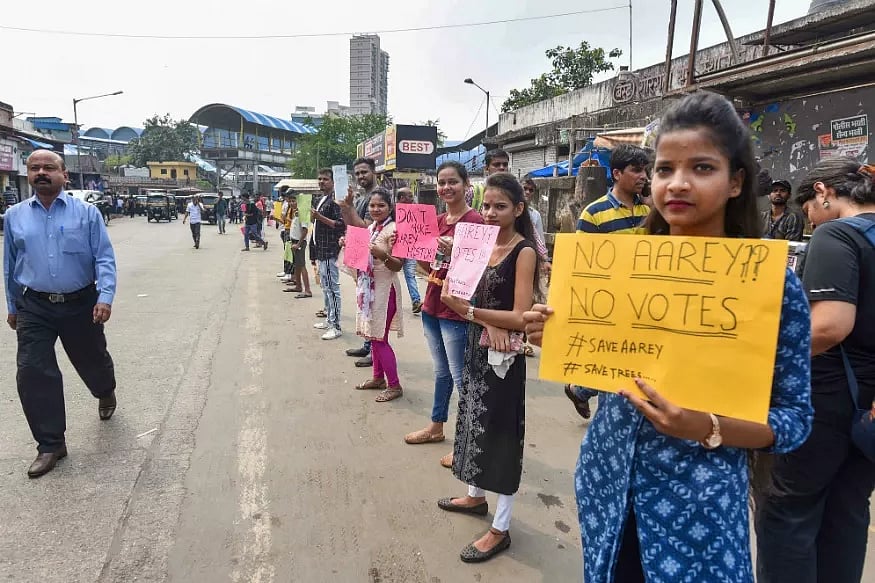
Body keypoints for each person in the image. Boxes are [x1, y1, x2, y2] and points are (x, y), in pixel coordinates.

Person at [523, 91, 813, 582]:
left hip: (696, 508)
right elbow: (607, 367)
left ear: (736, 181)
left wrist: (705, 426)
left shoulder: (770, 284)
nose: (676, 184)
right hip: (607, 482)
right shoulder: (621, 261)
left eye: (701, 168)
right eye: (663, 169)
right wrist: (560, 336)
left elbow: (793, 419)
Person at [755, 158, 875, 583]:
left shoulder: (837, 234)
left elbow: (829, 326)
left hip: (828, 403)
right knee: (847, 511)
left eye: (809, 208)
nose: (810, 218)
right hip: (869, 413)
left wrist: (755, 359)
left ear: (823, 192)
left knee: (787, 511)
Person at [437, 172, 540, 563]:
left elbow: (522, 315)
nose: (492, 213)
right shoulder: (474, 244)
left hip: (503, 360)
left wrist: (478, 314)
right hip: (477, 349)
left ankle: (501, 527)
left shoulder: (523, 251)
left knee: (501, 436)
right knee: (472, 422)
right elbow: (450, 294)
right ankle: (475, 497)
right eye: (487, 206)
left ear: (519, 209)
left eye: (501, 207)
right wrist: (485, 320)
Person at [3, 150, 118, 479]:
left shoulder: (87, 213)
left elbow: (104, 258)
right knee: (33, 371)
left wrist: (105, 297)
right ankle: (51, 444)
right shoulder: (14, 216)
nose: (41, 172)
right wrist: (13, 306)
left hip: (81, 302)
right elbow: (11, 265)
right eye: (34, 168)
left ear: (64, 175)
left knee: (91, 358)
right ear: (27, 174)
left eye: (49, 168)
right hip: (34, 305)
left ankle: (104, 390)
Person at [402, 161, 484, 471]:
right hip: (432, 304)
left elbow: (480, 270)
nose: (446, 188)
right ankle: (437, 426)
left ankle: (469, 443)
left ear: (466, 185)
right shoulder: (434, 221)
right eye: (442, 182)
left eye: (453, 182)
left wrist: (456, 253)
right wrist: (419, 250)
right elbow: (424, 267)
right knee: (441, 373)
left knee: (463, 378)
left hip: (456, 309)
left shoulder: (475, 222)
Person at [566, 144, 651, 419]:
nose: (644, 176)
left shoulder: (650, 212)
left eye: (646, 170)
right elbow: (581, 265)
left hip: (645, 305)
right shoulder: (593, 214)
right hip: (610, 307)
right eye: (636, 170)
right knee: (616, 366)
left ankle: (580, 389)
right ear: (616, 174)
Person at [341, 188, 405, 402]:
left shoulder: (395, 230)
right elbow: (360, 249)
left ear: (390, 207)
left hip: (386, 291)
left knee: (379, 339)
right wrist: (348, 244)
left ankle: (394, 385)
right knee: (374, 336)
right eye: (372, 206)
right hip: (371, 290)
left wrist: (383, 255)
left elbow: (398, 266)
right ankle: (378, 378)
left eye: (381, 205)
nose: (376, 209)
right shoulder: (372, 228)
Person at [345, 158, 379, 367]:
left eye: (364, 172)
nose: (361, 177)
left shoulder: (377, 196)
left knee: (374, 306)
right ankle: (367, 344)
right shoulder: (361, 196)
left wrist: (349, 207)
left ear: (374, 172)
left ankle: (375, 351)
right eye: (357, 173)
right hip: (360, 256)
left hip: (375, 259)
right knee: (364, 303)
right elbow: (352, 225)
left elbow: (366, 227)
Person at [311, 168, 345, 340]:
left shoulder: (335, 200)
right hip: (321, 250)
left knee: (333, 288)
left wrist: (319, 217)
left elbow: (340, 225)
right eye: (320, 179)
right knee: (326, 287)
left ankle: (336, 325)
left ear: (333, 182)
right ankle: (329, 319)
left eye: (325, 179)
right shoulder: (321, 199)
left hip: (330, 250)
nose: (321, 182)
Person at [395, 187, 423, 314]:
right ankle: (389, 301)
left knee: (410, 275)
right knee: (389, 275)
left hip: (410, 248)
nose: (412, 199)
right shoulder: (391, 212)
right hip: (395, 249)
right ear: (401, 198)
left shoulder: (416, 212)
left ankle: (416, 300)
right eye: (410, 196)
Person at [283, 193, 312, 298]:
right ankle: (298, 286)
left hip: (299, 242)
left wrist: (298, 244)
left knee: (302, 265)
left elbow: (305, 230)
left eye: (293, 201)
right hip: (294, 241)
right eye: (290, 201)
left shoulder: (302, 213)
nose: (291, 203)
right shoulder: (296, 213)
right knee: (297, 265)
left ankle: (307, 290)